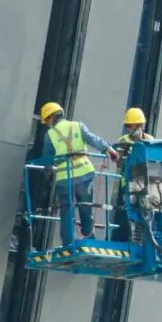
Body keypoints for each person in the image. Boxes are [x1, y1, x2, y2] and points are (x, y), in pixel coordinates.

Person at [38, 101, 119, 245]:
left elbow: (47, 160)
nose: (48, 124)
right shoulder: (78, 126)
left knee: (66, 210)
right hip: (84, 175)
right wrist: (110, 151)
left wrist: (47, 174)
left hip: (64, 179)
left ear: (51, 118)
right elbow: (94, 140)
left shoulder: (50, 135)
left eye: (47, 121)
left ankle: (69, 243)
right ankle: (89, 238)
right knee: (86, 206)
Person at [112, 108, 155, 242]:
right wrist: (121, 153)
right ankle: (121, 240)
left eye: (130, 126)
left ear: (140, 126)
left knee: (146, 212)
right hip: (127, 184)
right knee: (123, 213)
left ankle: (144, 239)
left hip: (145, 183)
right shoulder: (124, 140)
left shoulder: (150, 140)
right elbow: (119, 162)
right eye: (127, 126)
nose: (129, 129)